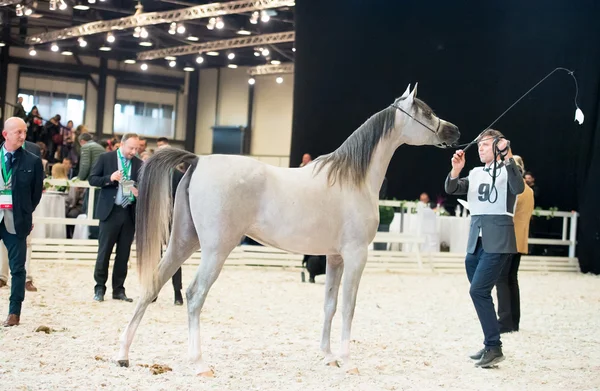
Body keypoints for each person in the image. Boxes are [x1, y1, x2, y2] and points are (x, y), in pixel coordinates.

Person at [445, 128, 524, 367]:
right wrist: (456, 170)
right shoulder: (477, 172)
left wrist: (508, 156)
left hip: (498, 239)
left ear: (499, 145)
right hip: (476, 241)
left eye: (486, 144)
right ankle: (491, 344)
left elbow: (518, 188)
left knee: (478, 291)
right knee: (481, 293)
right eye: (479, 144)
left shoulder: (509, 170)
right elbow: (451, 188)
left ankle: (494, 347)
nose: (480, 147)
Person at [0, 118, 44, 326]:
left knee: (18, 268)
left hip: (16, 221)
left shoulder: (33, 161)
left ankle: (14, 312)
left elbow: (36, 195)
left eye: (24, 132)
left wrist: (25, 212)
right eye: (18, 132)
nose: (23, 136)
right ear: (5, 134)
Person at [89, 133, 141, 302]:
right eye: (131, 148)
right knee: (104, 252)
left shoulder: (139, 164)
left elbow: (143, 185)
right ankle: (99, 288)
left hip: (129, 213)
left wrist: (138, 191)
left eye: (136, 148)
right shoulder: (106, 158)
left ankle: (118, 290)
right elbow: (92, 179)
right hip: (110, 212)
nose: (133, 151)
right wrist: (109, 178)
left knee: (123, 254)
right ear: (121, 145)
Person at [496, 154, 534, 334]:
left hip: (508, 239)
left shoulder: (514, 189)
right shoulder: (529, 190)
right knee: (512, 279)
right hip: (520, 239)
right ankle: (514, 321)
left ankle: (504, 322)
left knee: (502, 279)